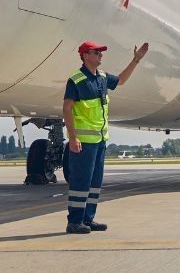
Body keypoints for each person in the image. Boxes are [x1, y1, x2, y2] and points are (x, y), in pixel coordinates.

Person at [63, 40, 148, 234]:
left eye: (101, 52)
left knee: (95, 183)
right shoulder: (76, 80)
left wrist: (136, 60)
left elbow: (121, 80)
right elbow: (67, 109)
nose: (101, 55)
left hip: (100, 140)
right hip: (84, 142)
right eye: (97, 52)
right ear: (85, 56)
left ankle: (88, 219)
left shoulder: (101, 77)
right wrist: (73, 137)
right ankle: (74, 222)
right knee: (80, 182)